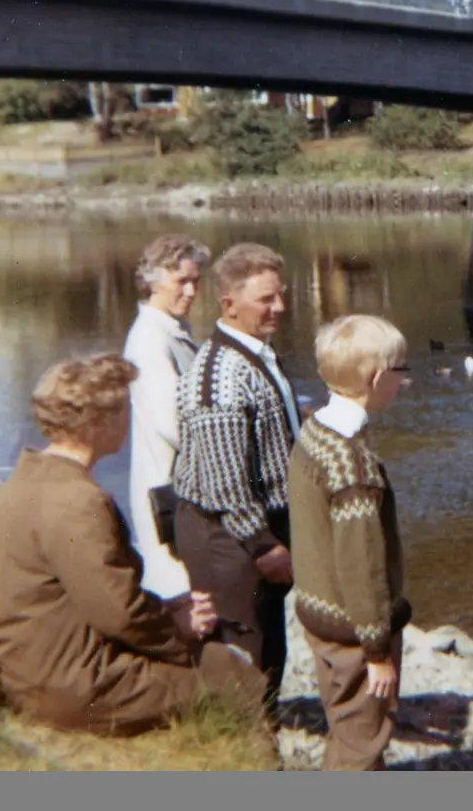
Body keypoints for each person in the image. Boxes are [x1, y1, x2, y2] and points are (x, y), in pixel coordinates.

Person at [0, 354, 267, 737]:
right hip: (67, 687)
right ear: (98, 423)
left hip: (18, 669)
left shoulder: (22, 482)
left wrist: (166, 609)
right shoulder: (79, 502)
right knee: (233, 673)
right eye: (124, 409)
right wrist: (179, 631)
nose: (129, 420)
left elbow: (88, 593)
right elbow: (119, 613)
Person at [173, 243, 300, 712]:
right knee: (243, 651)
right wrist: (265, 546)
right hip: (227, 535)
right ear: (229, 304)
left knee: (267, 645)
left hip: (248, 530)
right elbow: (226, 482)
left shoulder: (256, 355)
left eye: (279, 296)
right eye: (266, 299)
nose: (279, 308)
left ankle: (261, 735)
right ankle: (241, 747)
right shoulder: (218, 376)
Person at [287, 314, 413, 771]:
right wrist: (377, 651)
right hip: (352, 630)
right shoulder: (351, 464)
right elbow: (362, 565)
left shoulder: (315, 429)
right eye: (401, 373)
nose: (403, 383)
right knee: (362, 739)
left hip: (318, 612)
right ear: (376, 378)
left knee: (348, 725)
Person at [122, 233, 211, 600]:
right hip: (168, 491)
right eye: (181, 282)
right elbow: (173, 423)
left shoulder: (173, 331)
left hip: (183, 489)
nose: (191, 291)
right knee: (182, 594)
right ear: (153, 281)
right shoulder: (149, 340)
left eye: (196, 281)